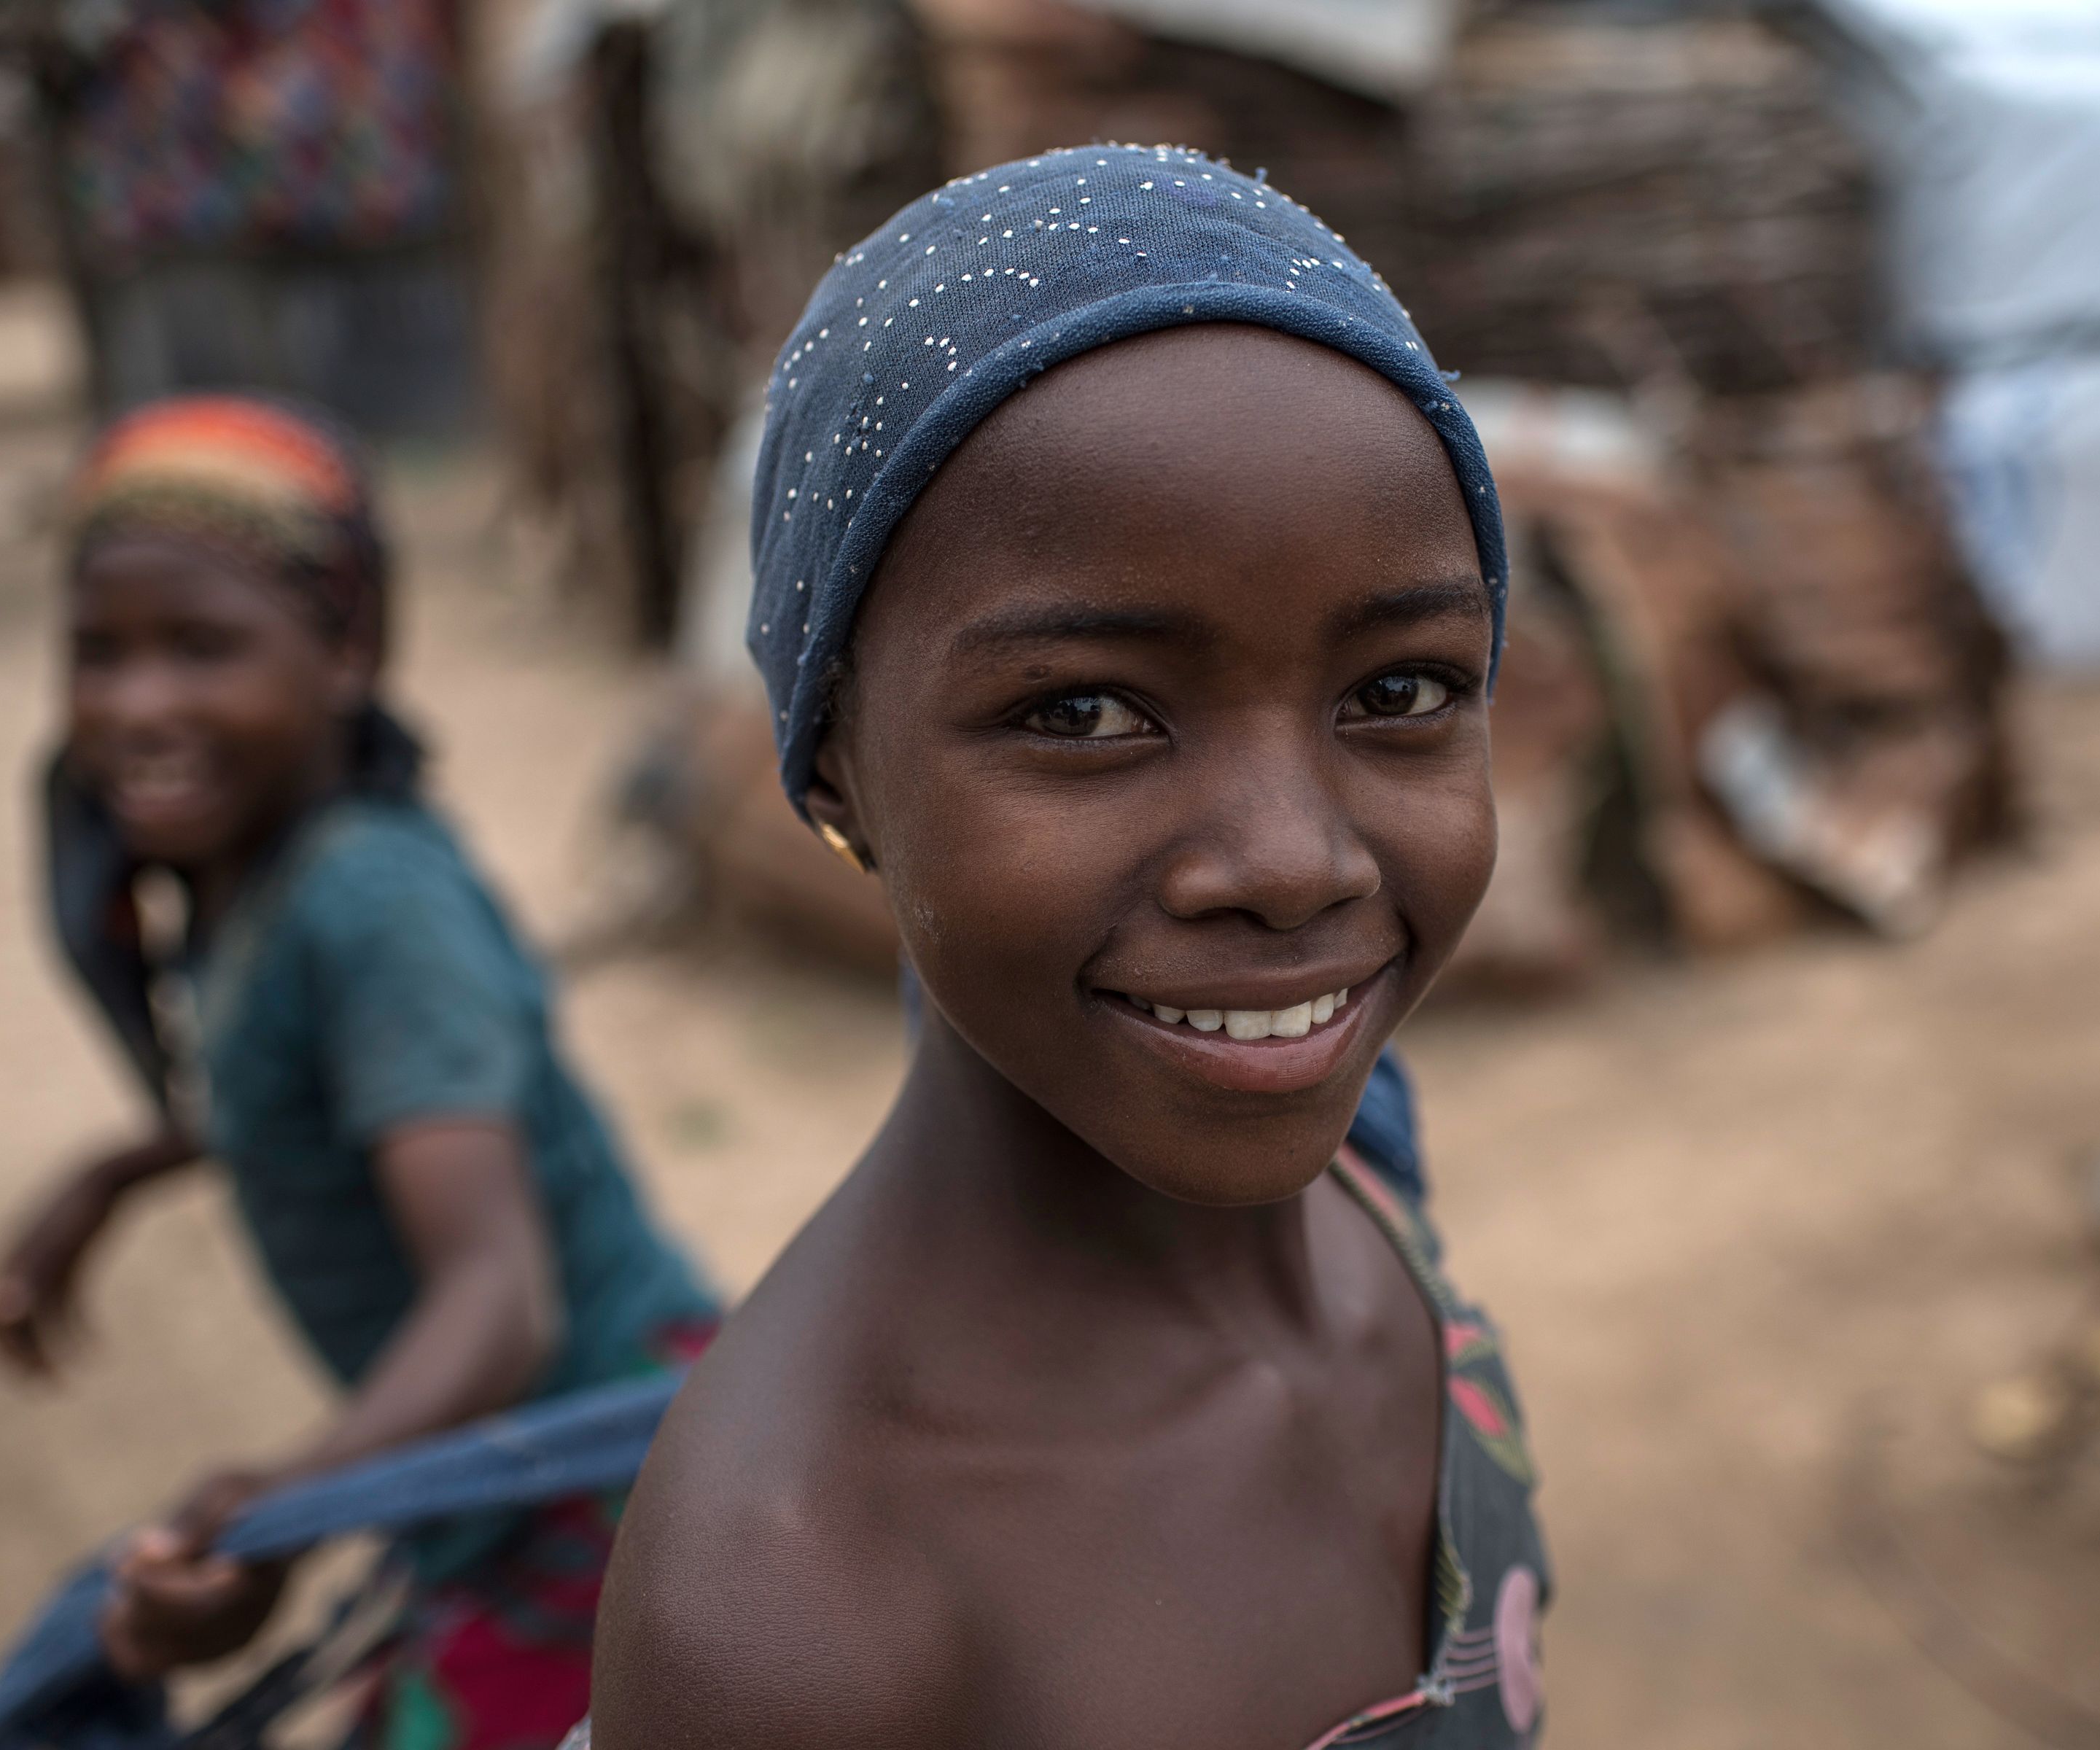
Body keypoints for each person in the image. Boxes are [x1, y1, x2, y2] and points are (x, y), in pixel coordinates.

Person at [591, 147, 1550, 1749]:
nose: (1291, 861)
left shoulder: (1372, 1206)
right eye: (1084, 712)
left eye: (1400, 693)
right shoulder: (799, 1625)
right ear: (835, 766)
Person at [0, 394, 720, 1750]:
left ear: (348, 649)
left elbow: (498, 1300)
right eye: (99, 654)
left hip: (605, 1482)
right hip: (490, 1485)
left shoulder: (369, 901)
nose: (141, 704)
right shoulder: (254, 877)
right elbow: (310, 1095)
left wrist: (285, 1506)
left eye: (202, 648)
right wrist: (112, 1176)